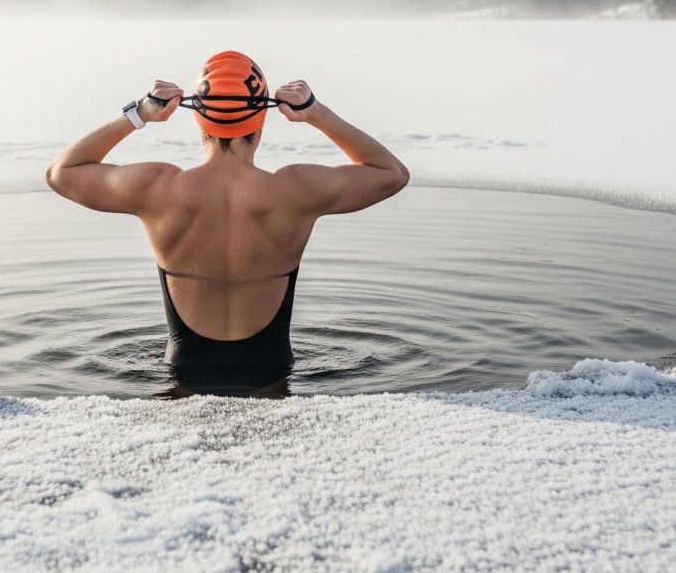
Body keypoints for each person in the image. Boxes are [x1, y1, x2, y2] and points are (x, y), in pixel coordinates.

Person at [45, 51, 409, 394]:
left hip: (185, 370)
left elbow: (62, 173)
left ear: (198, 116)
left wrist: (139, 113)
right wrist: (316, 113)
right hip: (272, 370)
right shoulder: (296, 190)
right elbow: (390, 173)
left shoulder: (158, 189)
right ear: (262, 118)